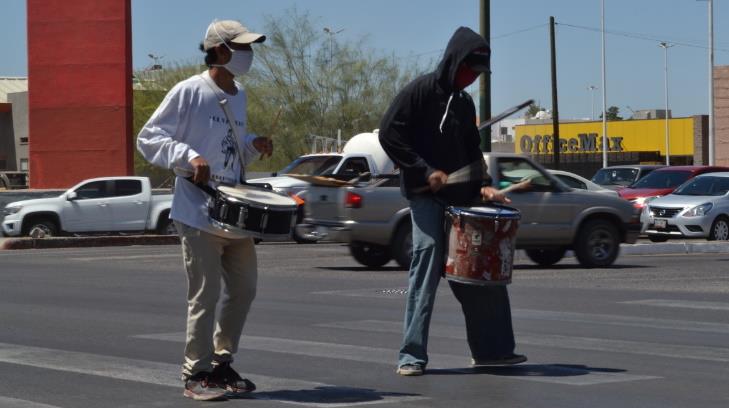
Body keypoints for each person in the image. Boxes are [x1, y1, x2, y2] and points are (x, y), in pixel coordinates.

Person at [137, 19, 273, 401]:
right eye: (241, 47)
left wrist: (252, 144)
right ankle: (194, 374)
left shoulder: (240, 94)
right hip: (197, 211)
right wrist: (187, 154)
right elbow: (149, 137)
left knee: (244, 290)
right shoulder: (189, 91)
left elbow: (227, 146)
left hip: (234, 210)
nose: (248, 54)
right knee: (205, 294)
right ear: (219, 50)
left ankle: (221, 363)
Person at [378, 26, 526, 377]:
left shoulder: (464, 102)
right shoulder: (420, 91)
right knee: (427, 265)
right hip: (426, 198)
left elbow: (472, 151)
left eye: (477, 74)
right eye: (469, 71)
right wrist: (424, 170)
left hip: (461, 199)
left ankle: (493, 351)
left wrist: (485, 186)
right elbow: (389, 133)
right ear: (454, 61)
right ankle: (411, 355)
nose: (472, 79)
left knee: (480, 273)